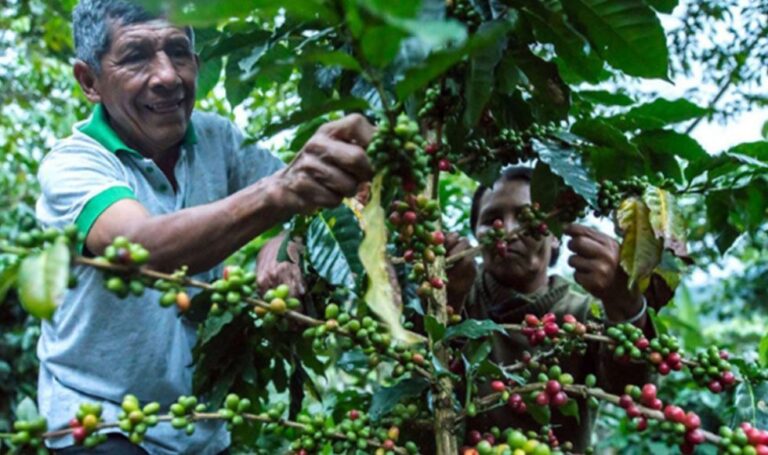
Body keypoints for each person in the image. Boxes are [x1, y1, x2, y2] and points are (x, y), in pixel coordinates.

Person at [35, 1, 373, 454]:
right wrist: (280, 194)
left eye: (178, 51)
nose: (168, 75)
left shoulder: (218, 139)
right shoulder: (74, 164)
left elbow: (299, 212)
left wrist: (283, 244)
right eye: (136, 56)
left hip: (198, 424)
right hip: (98, 420)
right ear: (89, 81)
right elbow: (139, 246)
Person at [445, 167, 667, 451]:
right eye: (492, 220)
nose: (509, 231)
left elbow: (632, 388)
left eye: (526, 217)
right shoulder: (458, 293)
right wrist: (447, 302)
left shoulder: (585, 315)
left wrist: (624, 305)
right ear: (476, 234)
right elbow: (421, 370)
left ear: (555, 236)